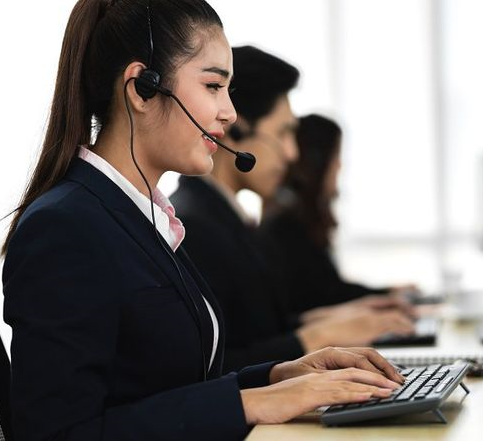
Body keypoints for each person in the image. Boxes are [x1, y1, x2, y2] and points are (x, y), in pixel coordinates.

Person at [1, 0, 405, 441]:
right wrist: (251, 403)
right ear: (142, 88)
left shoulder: (143, 218)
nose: (230, 113)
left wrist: (278, 376)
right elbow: (57, 433)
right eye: (213, 86)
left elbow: (169, 386)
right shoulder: (66, 227)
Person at [170, 45, 415, 373]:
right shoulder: (193, 227)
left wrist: (331, 319)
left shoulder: (223, 216)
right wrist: (318, 337)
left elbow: (256, 328)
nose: (291, 154)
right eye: (283, 133)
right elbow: (213, 366)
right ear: (237, 130)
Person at [260, 113, 413, 318]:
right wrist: (385, 296)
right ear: (318, 162)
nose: (339, 166)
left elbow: (329, 289)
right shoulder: (286, 226)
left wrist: (386, 293)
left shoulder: (299, 218)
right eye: (336, 157)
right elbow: (323, 297)